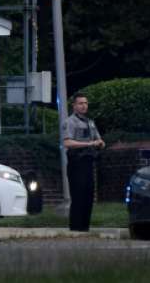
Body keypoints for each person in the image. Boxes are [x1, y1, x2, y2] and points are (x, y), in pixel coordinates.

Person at [62, 92, 105, 231]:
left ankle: (85, 227)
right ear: (74, 106)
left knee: (88, 195)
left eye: (85, 103)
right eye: (80, 103)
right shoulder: (70, 122)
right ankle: (76, 228)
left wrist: (100, 143)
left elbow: (98, 139)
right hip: (76, 163)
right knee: (78, 195)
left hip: (88, 162)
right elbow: (67, 143)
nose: (84, 106)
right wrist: (89, 144)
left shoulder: (90, 122)